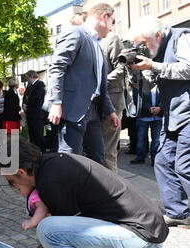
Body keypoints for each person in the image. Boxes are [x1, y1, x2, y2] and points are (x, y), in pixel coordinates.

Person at [0, 137, 169, 248]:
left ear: (21, 172)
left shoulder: (51, 181)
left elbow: (59, 234)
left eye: (11, 181)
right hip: (145, 229)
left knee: (47, 229)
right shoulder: (52, 163)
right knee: (64, 230)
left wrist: (42, 247)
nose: (12, 186)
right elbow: (80, 229)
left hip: (140, 240)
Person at [129, 16, 190, 226]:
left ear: (157, 35)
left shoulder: (181, 38)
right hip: (171, 115)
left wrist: (153, 65)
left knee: (184, 166)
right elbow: (150, 87)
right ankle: (178, 213)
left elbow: (188, 68)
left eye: (144, 43)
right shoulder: (155, 52)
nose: (143, 49)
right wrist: (137, 74)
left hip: (188, 113)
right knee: (163, 161)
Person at [46, 3, 121, 165]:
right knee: (71, 161)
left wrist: (110, 111)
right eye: (113, 22)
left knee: (98, 160)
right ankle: (66, 191)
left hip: (93, 112)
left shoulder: (98, 46)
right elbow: (57, 68)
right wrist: (56, 102)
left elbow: (98, 85)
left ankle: (89, 191)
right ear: (104, 17)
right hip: (71, 110)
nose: (112, 28)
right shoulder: (75, 33)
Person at [100, 32, 127, 173]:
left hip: (112, 103)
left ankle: (112, 191)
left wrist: (99, 82)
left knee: (107, 152)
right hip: (93, 106)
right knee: (96, 152)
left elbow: (123, 69)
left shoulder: (111, 39)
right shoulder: (89, 40)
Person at [130, 72, 163, 167]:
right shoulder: (139, 85)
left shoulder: (161, 85)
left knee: (156, 140)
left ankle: (155, 159)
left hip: (158, 117)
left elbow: (165, 97)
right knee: (141, 138)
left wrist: (159, 108)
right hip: (143, 116)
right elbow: (137, 99)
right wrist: (149, 109)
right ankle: (140, 157)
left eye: (152, 75)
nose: (151, 77)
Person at [23, 70, 47, 152]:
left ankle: (42, 152)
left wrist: (27, 106)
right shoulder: (29, 86)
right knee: (32, 135)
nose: (27, 80)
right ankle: (34, 152)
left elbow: (37, 98)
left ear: (31, 76)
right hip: (30, 114)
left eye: (27, 78)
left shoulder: (40, 84)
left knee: (38, 135)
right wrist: (24, 105)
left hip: (37, 115)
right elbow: (25, 96)